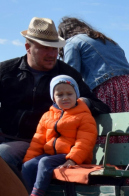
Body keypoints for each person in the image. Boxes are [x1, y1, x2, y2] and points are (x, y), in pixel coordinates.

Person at [0, 17, 109, 176]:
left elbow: (100, 106)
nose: (52, 54)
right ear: (28, 47)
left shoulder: (66, 75)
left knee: (2, 156)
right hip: (5, 137)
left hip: (40, 145)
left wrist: (79, 103)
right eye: (45, 48)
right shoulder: (6, 71)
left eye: (55, 48)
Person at [21, 75, 97, 196]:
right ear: (53, 97)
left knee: (44, 162)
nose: (65, 98)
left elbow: (85, 141)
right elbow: (37, 141)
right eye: (59, 94)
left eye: (69, 93)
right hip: (51, 155)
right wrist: (28, 159)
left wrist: (73, 159)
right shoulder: (47, 116)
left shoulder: (83, 116)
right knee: (28, 166)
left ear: (77, 95)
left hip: (70, 156)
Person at [58, 18, 129, 113]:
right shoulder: (107, 40)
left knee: (113, 126)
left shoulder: (71, 43)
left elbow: (69, 79)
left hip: (110, 88)